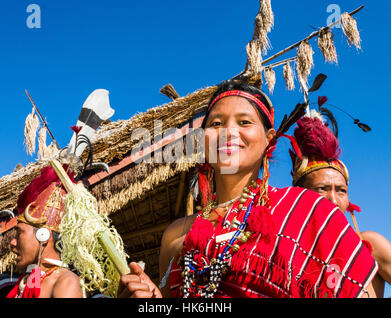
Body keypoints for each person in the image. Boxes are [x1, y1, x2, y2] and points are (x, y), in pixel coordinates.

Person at [118, 80, 377, 298]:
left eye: (244, 122)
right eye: (217, 124)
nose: (229, 132)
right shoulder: (176, 234)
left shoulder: (309, 211)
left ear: (269, 139)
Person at [290, 111, 391, 298]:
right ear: (300, 195)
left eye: (341, 190)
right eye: (322, 188)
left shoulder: (370, 246)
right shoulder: (287, 254)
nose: (333, 200)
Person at [6, 166, 83, 298]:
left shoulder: (65, 283)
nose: (13, 242)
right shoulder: (24, 284)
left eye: (19, 234)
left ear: (43, 235)